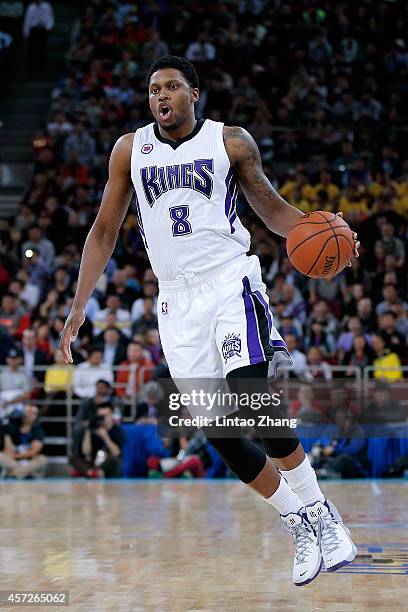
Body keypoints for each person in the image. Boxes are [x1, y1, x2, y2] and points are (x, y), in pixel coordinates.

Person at [60, 55, 359, 586]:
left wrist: (324, 230)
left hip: (228, 280)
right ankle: (299, 521)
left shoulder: (230, 142)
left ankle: (324, 514)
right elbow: (103, 231)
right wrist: (79, 303)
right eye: (154, 89)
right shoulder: (130, 150)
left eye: (172, 87)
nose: (162, 96)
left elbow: (270, 210)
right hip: (176, 300)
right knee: (218, 430)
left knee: (251, 397)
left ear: (193, 93)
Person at [69, 403, 125, 478]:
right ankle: (91, 473)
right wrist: (88, 431)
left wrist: (105, 436)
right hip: (93, 462)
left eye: (105, 416)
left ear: (111, 416)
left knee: (114, 461)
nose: (103, 418)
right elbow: (86, 452)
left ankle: (88, 472)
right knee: (74, 458)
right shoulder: (93, 430)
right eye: (100, 416)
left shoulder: (117, 430)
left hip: (107, 462)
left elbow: (117, 453)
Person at [0, 404, 47, 479]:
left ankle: (16, 473)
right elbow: (8, 451)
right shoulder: (11, 428)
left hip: (29, 461)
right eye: (28, 412)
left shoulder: (38, 431)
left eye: (33, 413)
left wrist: (18, 456)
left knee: (42, 459)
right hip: (13, 462)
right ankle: (24, 473)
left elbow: (33, 452)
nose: (30, 416)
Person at [23, 0, 54, 74]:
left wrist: (48, 27)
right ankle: (30, 67)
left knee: (43, 48)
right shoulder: (31, 7)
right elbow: (27, 20)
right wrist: (26, 32)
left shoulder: (47, 6)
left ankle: (42, 67)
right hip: (33, 30)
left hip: (43, 29)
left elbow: (50, 17)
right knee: (31, 49)